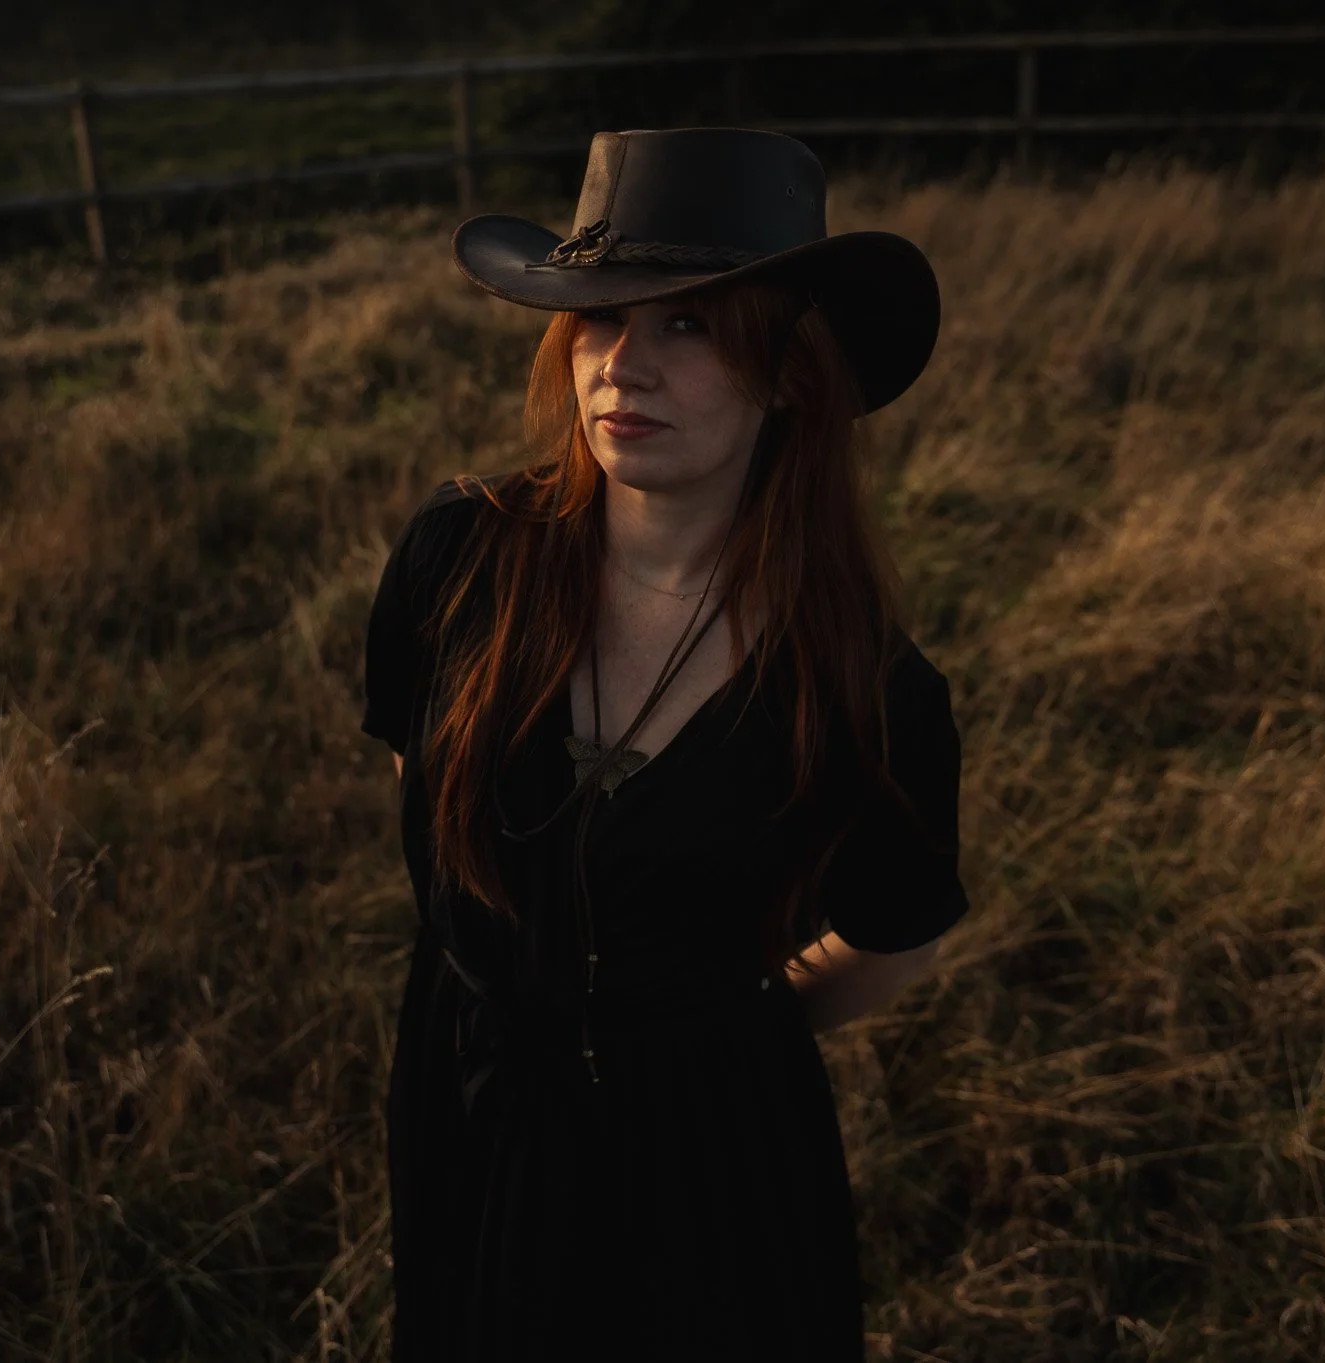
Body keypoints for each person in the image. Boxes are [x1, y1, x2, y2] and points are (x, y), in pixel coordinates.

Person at [359, 127, 969, 1363]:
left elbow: (893, 934)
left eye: (689, 323)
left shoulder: (861, 685)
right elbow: (427, 797)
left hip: (711, 1158)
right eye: (597, 319)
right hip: (471, 1106)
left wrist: (704, 1035)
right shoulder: (456, 558)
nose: (621, 368)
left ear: (790, 373)